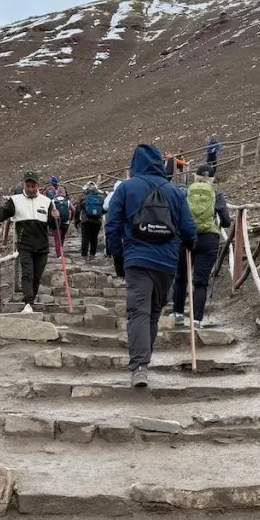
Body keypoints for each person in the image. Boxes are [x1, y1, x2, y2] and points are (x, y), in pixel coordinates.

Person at [105, 144, 197, 387]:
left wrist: (118, 257)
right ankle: (143, 363)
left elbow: (112, 226)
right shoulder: (175, 192)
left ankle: (139, 367)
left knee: (138, 312)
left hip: (136, 258)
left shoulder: (126, 188)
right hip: (166, 262)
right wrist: (190, 244)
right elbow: (189, 230)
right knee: (153, 313)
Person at [0, 170, 59, 313]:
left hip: (42, 245)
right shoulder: (15, 200)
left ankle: (31, 299)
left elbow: (54, 223)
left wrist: (56, 217)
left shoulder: (47, 202)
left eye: (33, 186)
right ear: (24, 185)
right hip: (25, 244)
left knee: (37, 276)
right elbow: (2, 213)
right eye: (28, 186)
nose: (31, 189)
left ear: (37, 185)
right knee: (27, 273)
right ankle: (28, 303)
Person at [172, 164, 230, 331]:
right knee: (201, 282)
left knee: (181, 277)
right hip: (209, 239)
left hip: (185, 237)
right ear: (212, 179)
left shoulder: (185, 191)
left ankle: (178, 315)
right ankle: (196, 320)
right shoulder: (216, 194)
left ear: (195, 177)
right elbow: (226, 221)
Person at [75, 181, 105, 260]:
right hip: (97, 221)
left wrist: (76, 221)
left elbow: (78, 209)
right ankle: (92, 254)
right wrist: (99, 213)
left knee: (85, 238)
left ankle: (84, 255)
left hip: (86, 220)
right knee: (94, 238)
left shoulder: (83, 197)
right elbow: (105, 209)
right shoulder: (100, 197)